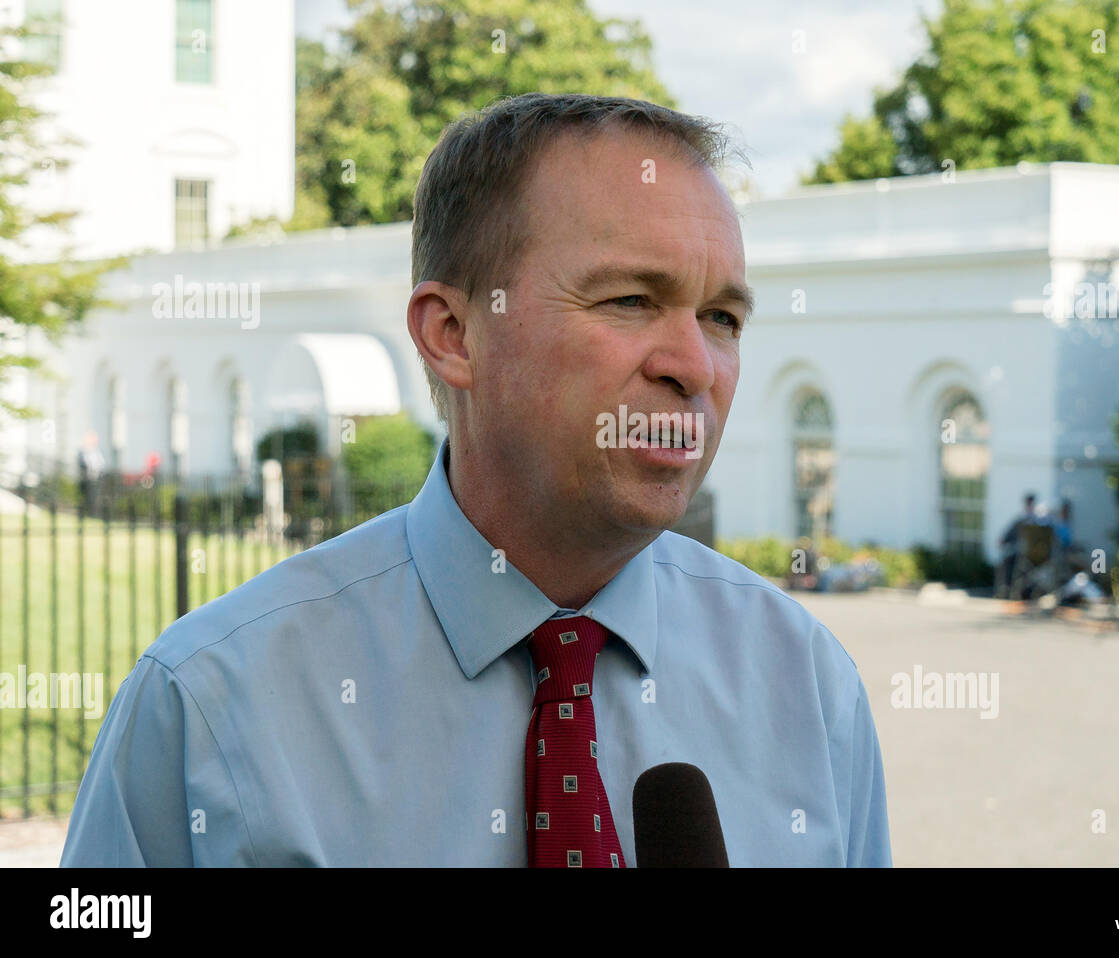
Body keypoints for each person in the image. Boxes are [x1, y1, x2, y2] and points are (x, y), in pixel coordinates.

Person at [61, 93, 891, 868]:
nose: (695, 366)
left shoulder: (808, 690)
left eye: (722, 318)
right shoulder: (209, 707)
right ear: (454, 335)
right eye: (632, 299)